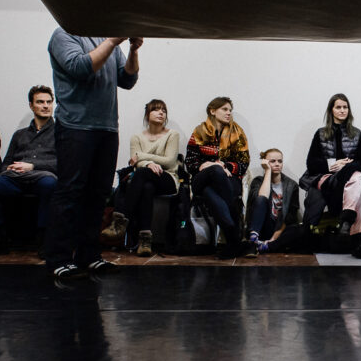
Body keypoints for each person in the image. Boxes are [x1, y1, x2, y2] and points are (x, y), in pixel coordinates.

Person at [44, 30, 140, 280]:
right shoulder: (64, 35)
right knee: (70, 192)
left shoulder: (106, 39)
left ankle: (89, 255)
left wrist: (133, 50)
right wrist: (113, 41)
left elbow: (127, 79)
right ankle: (58, 259)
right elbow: (81, 68)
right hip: (75, 126)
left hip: (107, 127)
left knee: (98, 195)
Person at [0, 86, 57, 257]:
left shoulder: (61, 133)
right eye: (40, 102)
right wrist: (8, 170)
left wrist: (32, 165)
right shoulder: (20, 134)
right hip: (15, 178)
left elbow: (63, 163)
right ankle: (0, 238)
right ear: (31, 105)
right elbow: (6, 162)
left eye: (49, 102)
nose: (45, 106)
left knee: (50, 185)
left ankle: (44, 240)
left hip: (42, 177)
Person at [101, 99, 179, 256]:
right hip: (145, 179)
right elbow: (134, 163)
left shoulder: (172, 134)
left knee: (141, 173)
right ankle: (145, 241)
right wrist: (149, 163)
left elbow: (169, 161)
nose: (161, 113)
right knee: (146, 187)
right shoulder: (136, 138)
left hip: (167, 178)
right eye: (156, 109)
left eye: (163, 110)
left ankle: (120, 222)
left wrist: (142, 157)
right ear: (147, 114)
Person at [301, 94, 361, 258]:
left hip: (351, 180)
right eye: (338, 107)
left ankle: (347, 219)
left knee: (357, 180)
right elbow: (311, 164)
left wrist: (346, 167)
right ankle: (357, 240)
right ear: (331, 110)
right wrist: (332, 164)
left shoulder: (358, 134)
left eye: (345, 107)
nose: (342, 110)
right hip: (327, 179)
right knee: (357, 187)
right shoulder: (320, 134)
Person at [185, 96, 250, 259]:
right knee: (215, 170)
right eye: (224, 109)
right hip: (201, 179)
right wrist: (208, 165)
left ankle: (232, 240)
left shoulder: (237, 133)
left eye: (230, 110)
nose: (228, 113)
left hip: (229, 179)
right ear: (212, 111)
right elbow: (190, 162)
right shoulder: (199, 132)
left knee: (210, 191)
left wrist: (225, 166)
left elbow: (244, 163)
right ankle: (236, 236)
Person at [246, 148, 304, 256]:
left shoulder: (292, 185)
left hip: (281, 229)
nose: (277, 164)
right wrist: (268, 171)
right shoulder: (258, 181)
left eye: (280, 161)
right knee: (260, 199)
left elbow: (290, 216)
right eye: (272, 161)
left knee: (301, 229)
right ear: (265, 163)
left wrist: (274, 238)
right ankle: (254, 239)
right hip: (262, 226)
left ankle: (266, 246)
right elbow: (261, 199)